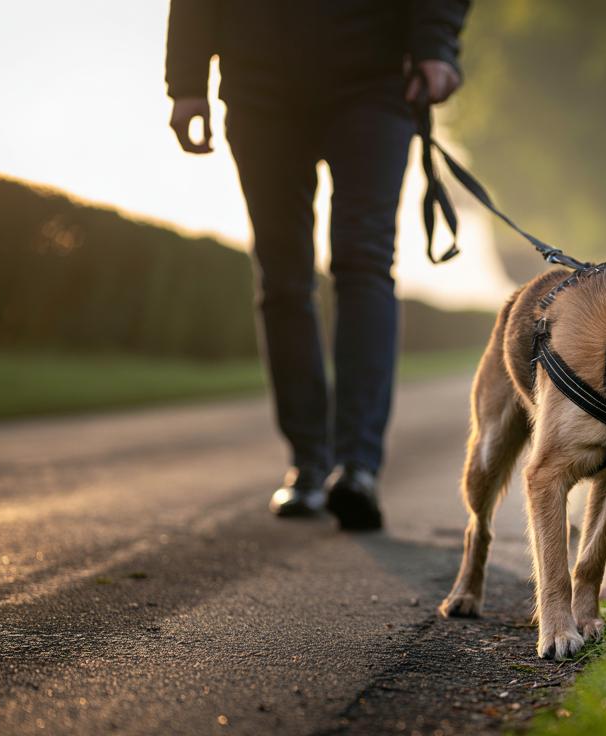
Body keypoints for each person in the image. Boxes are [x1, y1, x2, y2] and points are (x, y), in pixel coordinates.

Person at [165, 1, 471, 531]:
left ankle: (358, 467)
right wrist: (186, 81)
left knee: (364, 260)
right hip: (258, 76)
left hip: (376, 77)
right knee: (283, 275)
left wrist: (435, 46)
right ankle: (309, 462)